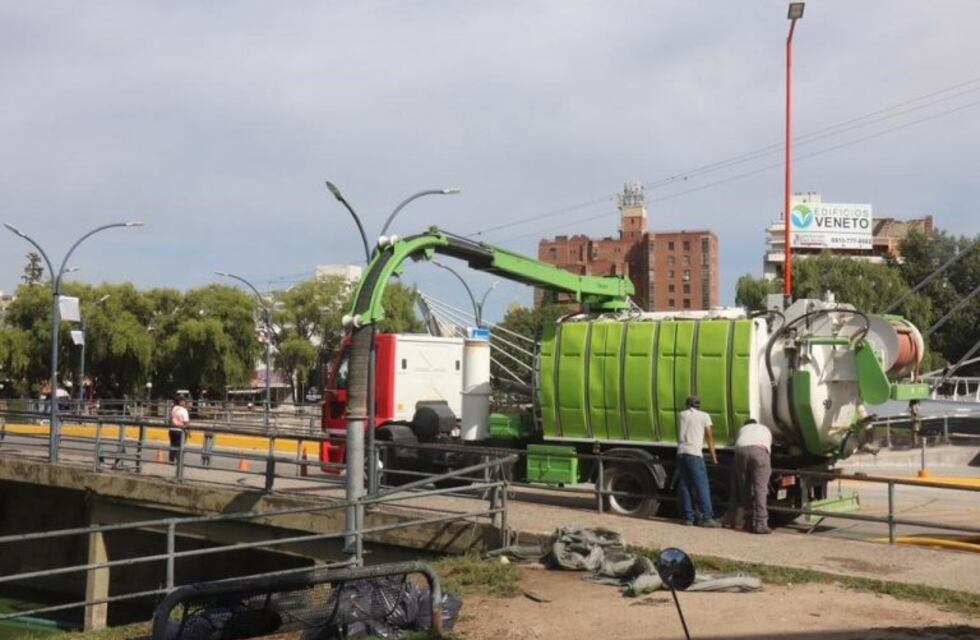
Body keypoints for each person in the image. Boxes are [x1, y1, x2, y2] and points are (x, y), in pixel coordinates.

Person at [676, 395, 720, 527]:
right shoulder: (704, 416)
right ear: (699, 405)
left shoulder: (681, 415)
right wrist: (714, 457)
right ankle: (707, 518)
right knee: (702, 485)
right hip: (694, 453)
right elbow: (709, 437)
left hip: (681, 451)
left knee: (685, 485)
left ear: (687, 404)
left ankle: (688, 518)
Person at [734, 418, 773, 534]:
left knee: (745, 487)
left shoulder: (742, 429)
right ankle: (761, 523)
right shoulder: (764, 429)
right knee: (760, 489)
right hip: (760, 451)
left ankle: (748, 521)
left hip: (741, 452)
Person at [168, 397, 190, 463]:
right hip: (180, 430)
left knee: (173, 444)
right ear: (180, 402)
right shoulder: (184, 410)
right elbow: (186, 422)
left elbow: (170, 418)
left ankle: (171, 459)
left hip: (172, 429)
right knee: (180, 446)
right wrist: (188, 429)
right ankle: (179, 461)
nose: (185, 402)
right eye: (184, 401)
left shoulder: (173, 408)